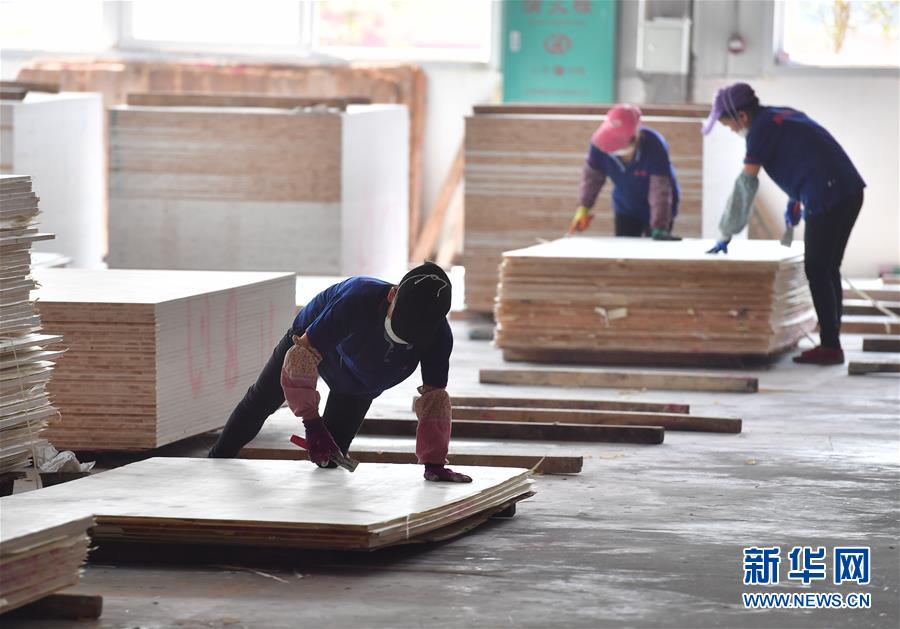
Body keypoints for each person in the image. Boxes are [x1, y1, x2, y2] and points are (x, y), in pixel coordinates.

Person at [208, 262, 472, 483]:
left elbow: (435, 398)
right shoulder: (357, 298)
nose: (403, 337)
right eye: (400, 324)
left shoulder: (439, 337)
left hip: (361, 382)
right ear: (392, 295)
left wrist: (434, 463)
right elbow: (303, 356)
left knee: (330, 457)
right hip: (312, 345)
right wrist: (311, 423)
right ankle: (216, 460)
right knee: (261, 401)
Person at [703, 83, 865, 365]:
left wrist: (727, 231)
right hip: (849, 190)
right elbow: (806, 155)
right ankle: (831, 341)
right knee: (828, 268)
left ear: (742, 116)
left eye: (728, 124)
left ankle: (830, 346)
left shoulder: (759, 131)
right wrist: (796, 197)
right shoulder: (782, 115)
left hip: (827, 193)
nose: (730, 130)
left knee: (817, 268)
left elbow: (746, 185)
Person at [569, 104, 681, 240]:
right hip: (626, 207)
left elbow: (660, 189)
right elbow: (592, 179)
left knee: (655, 245)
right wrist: (583, 207)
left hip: (660, 208)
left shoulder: (654, 144)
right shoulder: (598, 145)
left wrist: (659, 226)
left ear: (636, 136)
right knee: (624, 246)